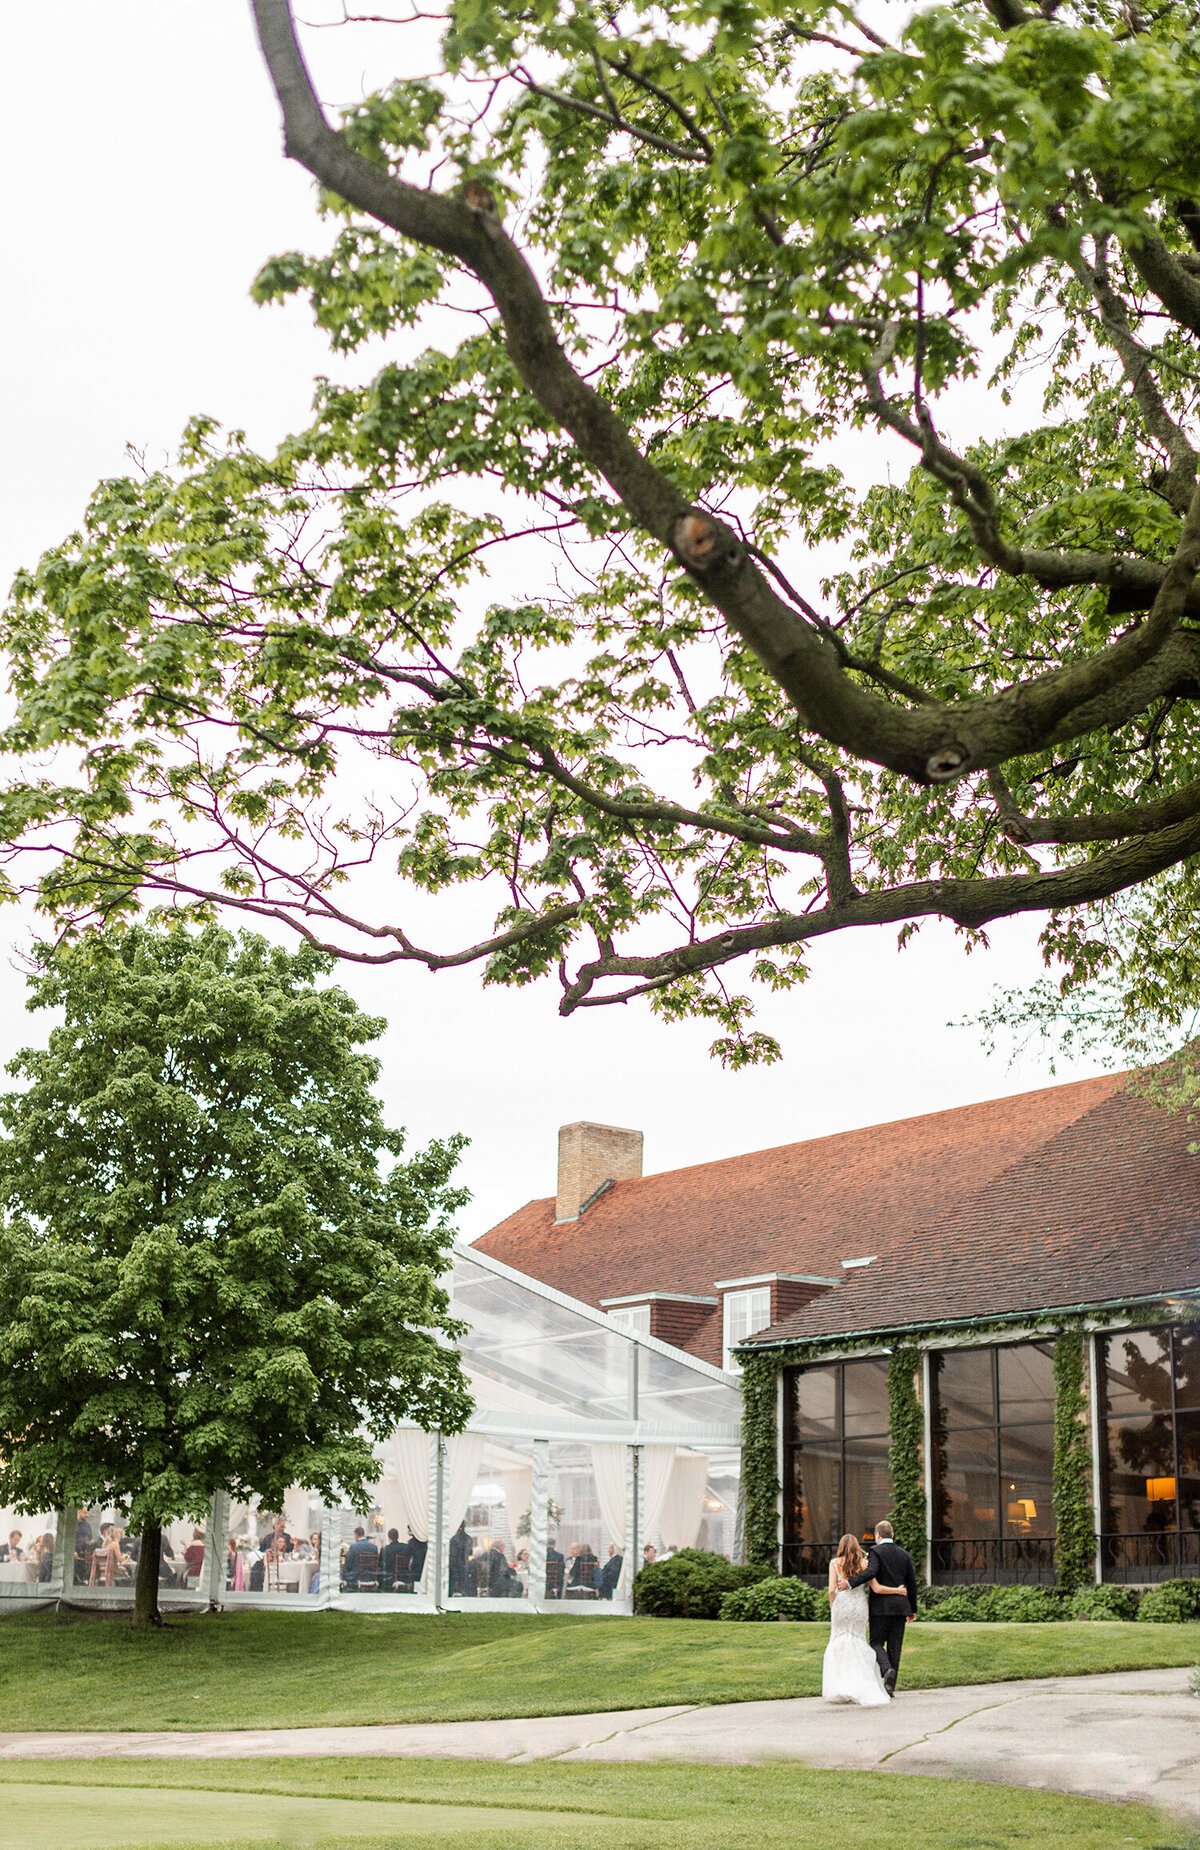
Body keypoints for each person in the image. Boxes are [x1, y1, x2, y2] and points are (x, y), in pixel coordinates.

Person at [821, 1533, 907, 1706]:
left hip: (841, 1605)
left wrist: (833, 1605)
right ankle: (862, 1684)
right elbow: (877, 1588)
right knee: (858, 1640)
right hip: (859, 1606)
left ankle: (841, 1686)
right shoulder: (864, 1564)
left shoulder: (835, 1563)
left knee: (839, 1640)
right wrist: (897, 1590)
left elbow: (831, 1590)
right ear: (856, 1547)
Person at [846, 1519, 919, 1696]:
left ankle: (886, 1670)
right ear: (892, 1535)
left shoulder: (875, 1551)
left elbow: (871, 1572)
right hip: (901, 1607)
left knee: (876, 1642)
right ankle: (889, 1688)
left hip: (880, 1607)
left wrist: (850, 1583)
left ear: (877, 1535)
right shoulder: (904, 1555)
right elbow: (912, 1583)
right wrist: (912, 1609)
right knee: (895, 1646)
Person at [342, 1525, 379, 1590]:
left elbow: (349, 1563)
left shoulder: (354, 1547)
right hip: (371, 1577)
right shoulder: (374, 1547)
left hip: (356, 1577)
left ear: (356, 1535)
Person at [448, 1520, 473, 1596]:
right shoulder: (468, 1538)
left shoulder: (454, 1539)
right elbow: (470, 1552)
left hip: (455, 1567)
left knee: (455, 1586)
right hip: (465, 1567)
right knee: (463, 1586)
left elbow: (453, 1556)